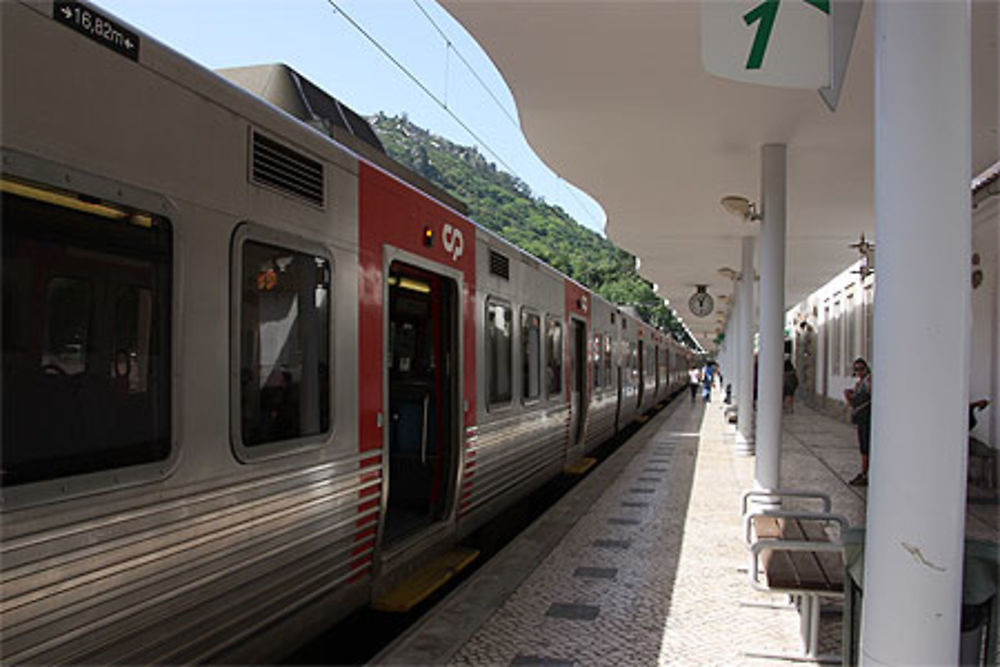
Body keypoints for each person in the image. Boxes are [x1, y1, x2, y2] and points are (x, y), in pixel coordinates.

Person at [844, 358, 872, 486]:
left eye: (861, 369)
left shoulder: (868, 381)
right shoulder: (859, 384)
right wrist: (849, 396)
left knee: (865, 447)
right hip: (860, 418)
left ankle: (865, 474)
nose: (859, 372)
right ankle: (863, 472)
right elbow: (853, 404)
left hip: (866, 418)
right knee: (863, 447)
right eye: (856, 370)